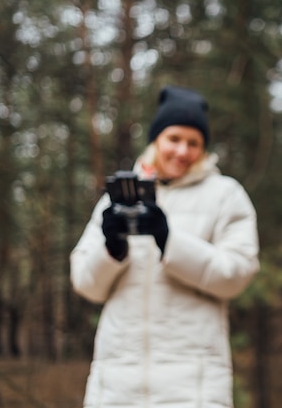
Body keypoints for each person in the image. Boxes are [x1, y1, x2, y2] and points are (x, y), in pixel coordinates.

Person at [70, 86, 260, 408]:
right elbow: (86, 284)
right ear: (156, 140)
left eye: (194, 143)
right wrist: (112, 250)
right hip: (116, 388)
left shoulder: (225, 194)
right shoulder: (118, 198)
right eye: (174, 139)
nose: (183, 151)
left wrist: (168, 240)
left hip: (193, 390)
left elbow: (237, 274)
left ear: (204, 148)